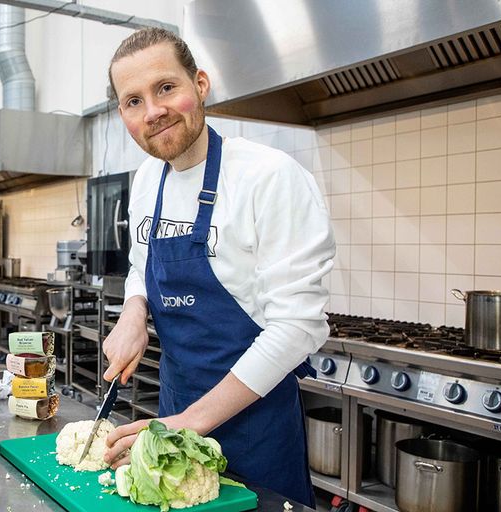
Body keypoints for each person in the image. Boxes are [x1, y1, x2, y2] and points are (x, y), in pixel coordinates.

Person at [101, 28, 335, 507]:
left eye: (166, 88)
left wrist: (188, 424)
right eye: (132, 101)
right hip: (169, 426)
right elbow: (141, 264)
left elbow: (296, 327)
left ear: (201, 84)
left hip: (254, 433)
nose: (153, 112)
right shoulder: (148, 180)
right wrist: (133, 310)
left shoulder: (269, 177)